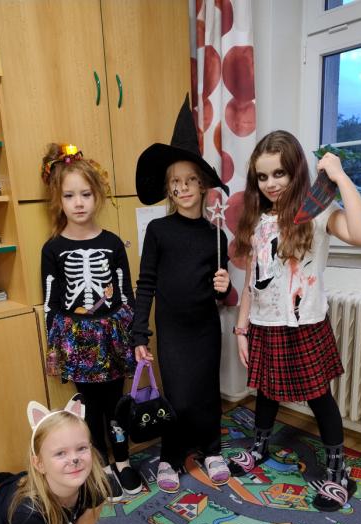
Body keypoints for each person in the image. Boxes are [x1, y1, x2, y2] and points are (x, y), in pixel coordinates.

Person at [233, 130, 361, 511]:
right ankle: (259, 448)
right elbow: (250, 283)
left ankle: (337, 470)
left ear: (296, 172)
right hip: (263, 325)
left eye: (279, 173)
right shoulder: (258, 220)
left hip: (305, 325)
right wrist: (242, 329)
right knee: (266, 391)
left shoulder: (318, 212)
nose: (271, 184)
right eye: (263, 177)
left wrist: (340, 177)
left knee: (319, 397)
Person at [132, 95, 232, 493]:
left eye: (190, 180)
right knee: (176, 395)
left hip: (205, 329)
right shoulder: (159, 231)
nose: (183, 187)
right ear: (168, 190)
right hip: (172, 330)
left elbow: (220, 293)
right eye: (175, 182)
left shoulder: (216, 237)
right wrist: (140, 333)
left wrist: (225, 288)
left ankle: (211, 449)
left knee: (206, 392)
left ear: (203, 185)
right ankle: (170, 456)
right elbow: (146, 284)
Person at [40, 143, 141, 499]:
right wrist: (55, 351)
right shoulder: (52, 249)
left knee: (116, 405)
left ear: (98, 196)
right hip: (76, 342)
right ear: (59, 200)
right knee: (88, 409)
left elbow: (126, 295)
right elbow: (51, 302)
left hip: (111, 339)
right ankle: (100, 465)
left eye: (85, 194)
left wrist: (135, 339)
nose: (78, 203)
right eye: (69, 196)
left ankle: (123, 461)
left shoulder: (112, 243)